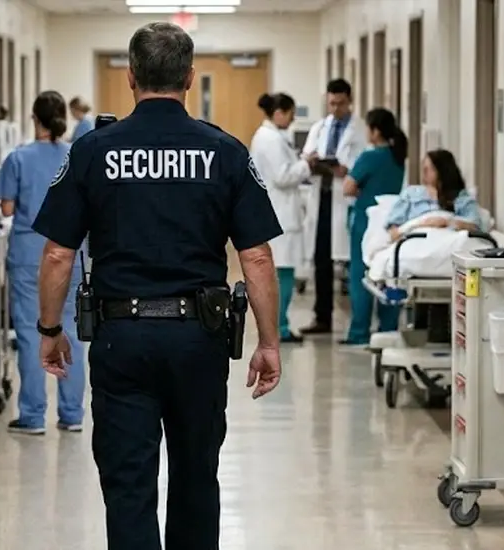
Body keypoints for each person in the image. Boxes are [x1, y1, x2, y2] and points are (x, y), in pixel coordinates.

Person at [30, 22, 283, 550]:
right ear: (190, 78)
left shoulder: (94, 150)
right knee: (195, 479)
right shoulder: (225, 152)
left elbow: (57, 253)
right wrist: (269, 341)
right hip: (199, 338)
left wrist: (50, 328)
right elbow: (255, 255)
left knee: (128, 486)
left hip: (122, 339)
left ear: (131, 77)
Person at [0, 91, 86, 435]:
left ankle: (33, 415)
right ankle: (73, 414)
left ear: (35, 119)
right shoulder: (77, 156)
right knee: (73, 333)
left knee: (33, 335)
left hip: (31, 257)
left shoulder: (19, 158)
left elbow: (5, 208)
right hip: (74, 256)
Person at [299, 79, 368, 335]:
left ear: (350, 101)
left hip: (347, 198)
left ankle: (357, 321)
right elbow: (307, 154)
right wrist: (312, 160)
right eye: (331, 103)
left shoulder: (359, 130)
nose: (335, 109)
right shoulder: (320, 126)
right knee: (321, 259)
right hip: (323, 195)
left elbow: (363, 164)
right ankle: (322, 318)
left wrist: (347, 170)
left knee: (352, 262)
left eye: (340, 103)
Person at [250, 92, 314, 344]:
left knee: (282, 273)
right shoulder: (270, 139)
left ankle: (280, 325)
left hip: (280, 212)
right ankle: (280, 328)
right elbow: (282, 176)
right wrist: (307, 163)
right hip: (281, 214)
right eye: (290, 114)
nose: (292, 119)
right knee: (283, 273)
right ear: (279, 113)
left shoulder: (270, 136)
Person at [341, 107, 407, 347]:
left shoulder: (369, 157)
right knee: (388, 274)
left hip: (367, 221)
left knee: (361, 275)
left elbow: (348, 187)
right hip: (393, 223)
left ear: (375, 131)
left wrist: (362, 190)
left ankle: (359, 332)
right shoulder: (398, 156)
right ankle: (387, 330)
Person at [385, 149, 485, 241]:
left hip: (448, 242)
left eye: (430, 168)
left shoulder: (461, 198)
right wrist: (419, 224)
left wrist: (446, 222)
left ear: (444, 171)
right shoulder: (410, 194)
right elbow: (394, 230)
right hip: (416, 240)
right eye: (424, 167)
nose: (424, 172)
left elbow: (476, 226)